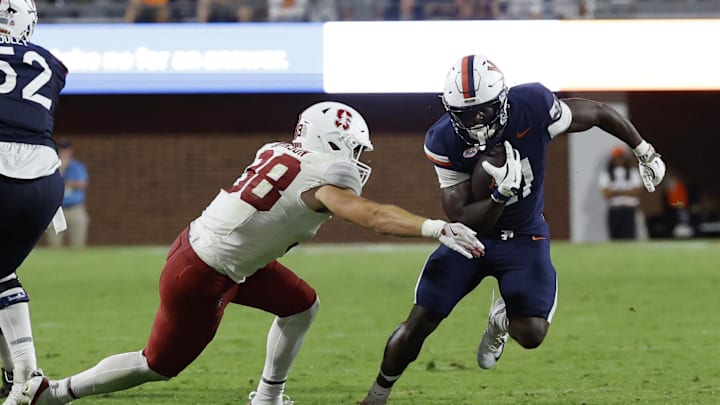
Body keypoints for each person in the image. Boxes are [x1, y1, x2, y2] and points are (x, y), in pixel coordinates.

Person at [21, 101, 484, 405]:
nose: (359, 158)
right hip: (203, 274)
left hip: (218, 255)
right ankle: (54, 393)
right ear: (333, 142)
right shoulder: (320, 179)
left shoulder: (279, 150)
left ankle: (268, 396)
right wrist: (434, 226)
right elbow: (373, 215)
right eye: (353, 148)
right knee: (157, 366)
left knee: (302, 305)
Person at [360, 54, 666, 404]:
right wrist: (500, 196)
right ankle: (376, 396)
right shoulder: (443, 139)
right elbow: (459, 215)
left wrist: (644, 150)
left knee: (532, 333)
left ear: (502, 101)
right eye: (465, 113)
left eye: (484, 110)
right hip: (471, 237)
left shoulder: (532, 106)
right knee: (420, 320)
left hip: (524, 236)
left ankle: (501, 320)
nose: (475, 120)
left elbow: (596, 112)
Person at [0, 1, 68, 404]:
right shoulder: (51, 63)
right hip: (43, 175)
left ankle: (22, 372)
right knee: (1, 272)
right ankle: (21, 374)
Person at [45, 139, 89, 248]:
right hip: (56, 209)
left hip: (75, 208)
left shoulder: (77, 166)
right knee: (54, 244)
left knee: (78, 243)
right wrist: (61, 169)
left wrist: (64, 182)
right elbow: (47, 183)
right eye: (61, 150)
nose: (64, 152)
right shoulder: (51, 166)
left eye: (66, 150)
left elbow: (82, 184)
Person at [598, 145, 642, 240]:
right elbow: (606, 194)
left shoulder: (632, 172)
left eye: (621, 157)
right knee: (615, 238)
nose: (619, 160)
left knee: (629, 237)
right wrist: (626, 191)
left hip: (629, 210)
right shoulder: (607, 174)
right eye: (617, 157)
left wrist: (616, 191)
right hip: (615, 210)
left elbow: (636, 191)